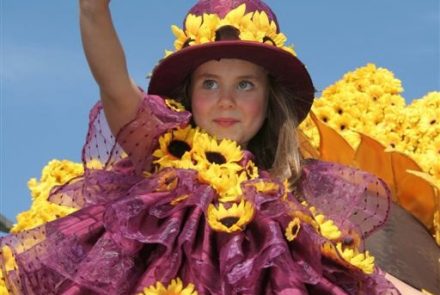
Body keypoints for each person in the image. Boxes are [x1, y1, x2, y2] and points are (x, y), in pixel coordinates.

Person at [0, 0, 423, 294]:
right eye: (209, 84)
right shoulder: (161, 149)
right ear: (188, 95)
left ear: (268, 99)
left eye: (245, 84)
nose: (226, 100)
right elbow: (113, 84)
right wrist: (93, 10)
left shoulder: (296, 190)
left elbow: (353, 274)